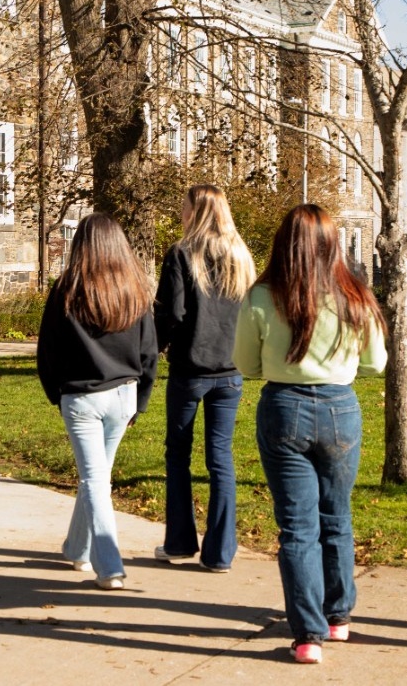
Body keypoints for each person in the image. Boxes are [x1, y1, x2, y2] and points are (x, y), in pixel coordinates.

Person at [233, 205, 387, 664]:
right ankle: (339, 616)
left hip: (284, 406)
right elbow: (376, 362)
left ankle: (307, 637)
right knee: (336, 515)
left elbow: (245, 365)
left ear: (284, 244)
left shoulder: (262, 296)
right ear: (332, 244)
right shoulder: (354, 294)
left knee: (297, 527)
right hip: (340, 407)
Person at [37, 213, 159, 591]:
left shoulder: (66, 290)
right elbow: (149, 352)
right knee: (97, 477)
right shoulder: (135, 289)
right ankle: (77, 548)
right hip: (123, 394)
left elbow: (47, 352)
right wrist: (140, 401)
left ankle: (109, 566)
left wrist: (57, 394)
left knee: (94, 479)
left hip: (83, 398)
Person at [153, 185, 257, 573]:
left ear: (196, 211)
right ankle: (220, 552)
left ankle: (179, 541)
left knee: (178, 453)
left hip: (190, 369)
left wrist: (153, 349)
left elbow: (172, 313)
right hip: (230, 371)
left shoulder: (182, 254)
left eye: (184, 206)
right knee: (221, 459)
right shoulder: (240, 256)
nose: (181, 211)